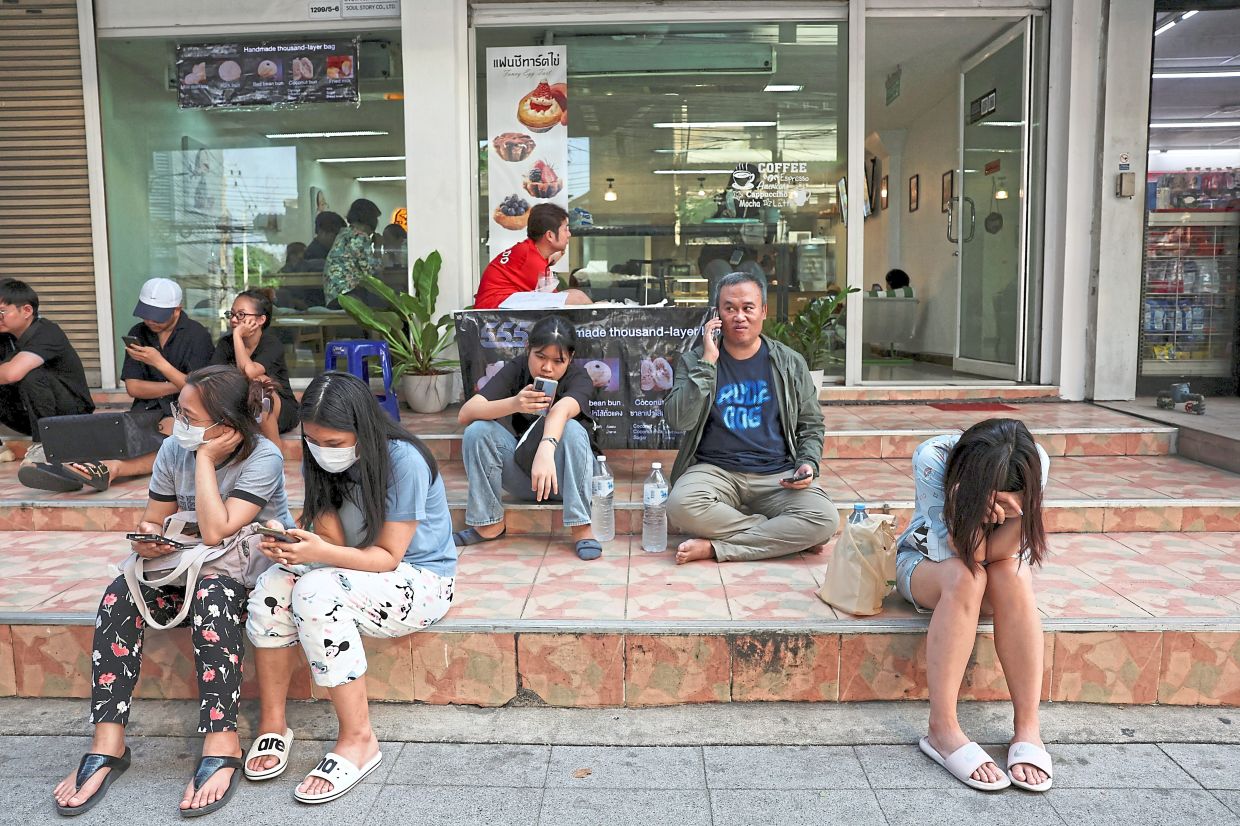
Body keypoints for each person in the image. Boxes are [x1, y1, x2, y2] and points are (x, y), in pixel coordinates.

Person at [51, 365, 295, 817]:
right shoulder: (172, 449)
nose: (176, 422)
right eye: (177, 411)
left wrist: (203, 460)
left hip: (246, 573)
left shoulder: (263, 457)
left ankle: (222, 741)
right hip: (189, 564)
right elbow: (158, 515)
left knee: (214, 595)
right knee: (118, 596)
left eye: (188, 415)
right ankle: (108, 743)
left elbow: (218, 530)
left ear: (224, 426)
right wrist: (148, 535)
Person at [243, 372, 456, 804]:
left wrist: (319, 555)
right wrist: (294, 544)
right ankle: (272, 723)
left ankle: (359, 740)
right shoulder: (319, 455)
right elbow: (332, 538)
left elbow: (389, 557)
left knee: (315, 592)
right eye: (314, 441)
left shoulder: (404, 460)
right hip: (358, 572)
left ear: (364, 429)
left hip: (420, 581)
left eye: (336, 444)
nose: (324, 452)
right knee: (272, 586)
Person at [897, 419, 1053, 793]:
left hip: (994, 567)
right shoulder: (933, 458)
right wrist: (969, 506)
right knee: (967, 577)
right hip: (926, 567)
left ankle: (1028, 727)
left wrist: (1019, 512)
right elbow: (970, 554)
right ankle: (942, 728)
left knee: (1014, 575)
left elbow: (1006, 552)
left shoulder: (1034, 461)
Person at [665, 271, 839, 564]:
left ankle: (716, 548)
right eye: (729, 308)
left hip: (777, 476)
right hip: (715, 471)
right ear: (717, 313)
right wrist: (708, 363)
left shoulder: (789, 362)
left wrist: (807, 462)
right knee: (680, 505)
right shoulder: (695, 360)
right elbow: (678, 420)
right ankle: (780, 536)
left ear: (763, 311)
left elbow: (810, 424)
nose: (739, 316)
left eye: (748, 308)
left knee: (825, 519)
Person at [23, 278, 215, 493]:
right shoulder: (139, 332)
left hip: (184, 410)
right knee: (115, 433)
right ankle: (73, 470)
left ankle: (109, 470)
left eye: (158, 316)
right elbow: (134, 388)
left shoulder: (198, 335)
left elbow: (197, 389)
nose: (151, 320)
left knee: (171, 436)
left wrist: (158, 363)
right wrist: (177, 383)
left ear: (177, 310)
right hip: (146, 409)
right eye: (146, 313)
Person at [456, 316, 602, 560]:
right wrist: (514, 403)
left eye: (558, 361)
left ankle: (581, 528)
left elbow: (561, 411)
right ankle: (488, 523)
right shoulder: (517, 368)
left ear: (571, 358)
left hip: (572, 479)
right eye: (540, 357)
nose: (547, 368)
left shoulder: (579, 378)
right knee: (477, 431)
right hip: (529, 476)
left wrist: (546, 450)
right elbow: (465, 413)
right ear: (528, 350)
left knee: (573, 428)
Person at [0, 279, 94, 470]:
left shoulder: (48, 332)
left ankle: (45, 445)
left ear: (26, 311)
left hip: (71, 413)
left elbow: (13, 374)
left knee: (29, 374)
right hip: (32, 415)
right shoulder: (5, 336)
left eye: (1, 312)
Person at [212, 289, 299, 444]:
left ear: (260, 320)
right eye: (232, 314)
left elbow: (250, 373)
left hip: (280, 410)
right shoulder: (225, 344)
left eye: (241, 315)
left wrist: (237, 336)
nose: (233, 320)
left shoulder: (272, 344)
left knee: (260, 384)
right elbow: (214, 378)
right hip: (241, 407)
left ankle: (275, 453)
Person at [474, 204, 591, 310]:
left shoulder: (527, 251)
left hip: (496, 306)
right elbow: (555, 300)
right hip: (492, 312)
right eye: (565, 229)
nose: (569, 234)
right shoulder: (530, 259)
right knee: (578, 298)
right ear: (550, 235)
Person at [324, 199, 382, 306]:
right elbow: (371, 272)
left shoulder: (343, 234)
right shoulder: (360, 236)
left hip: (333, 297)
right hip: (349, 296)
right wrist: (378, 247)